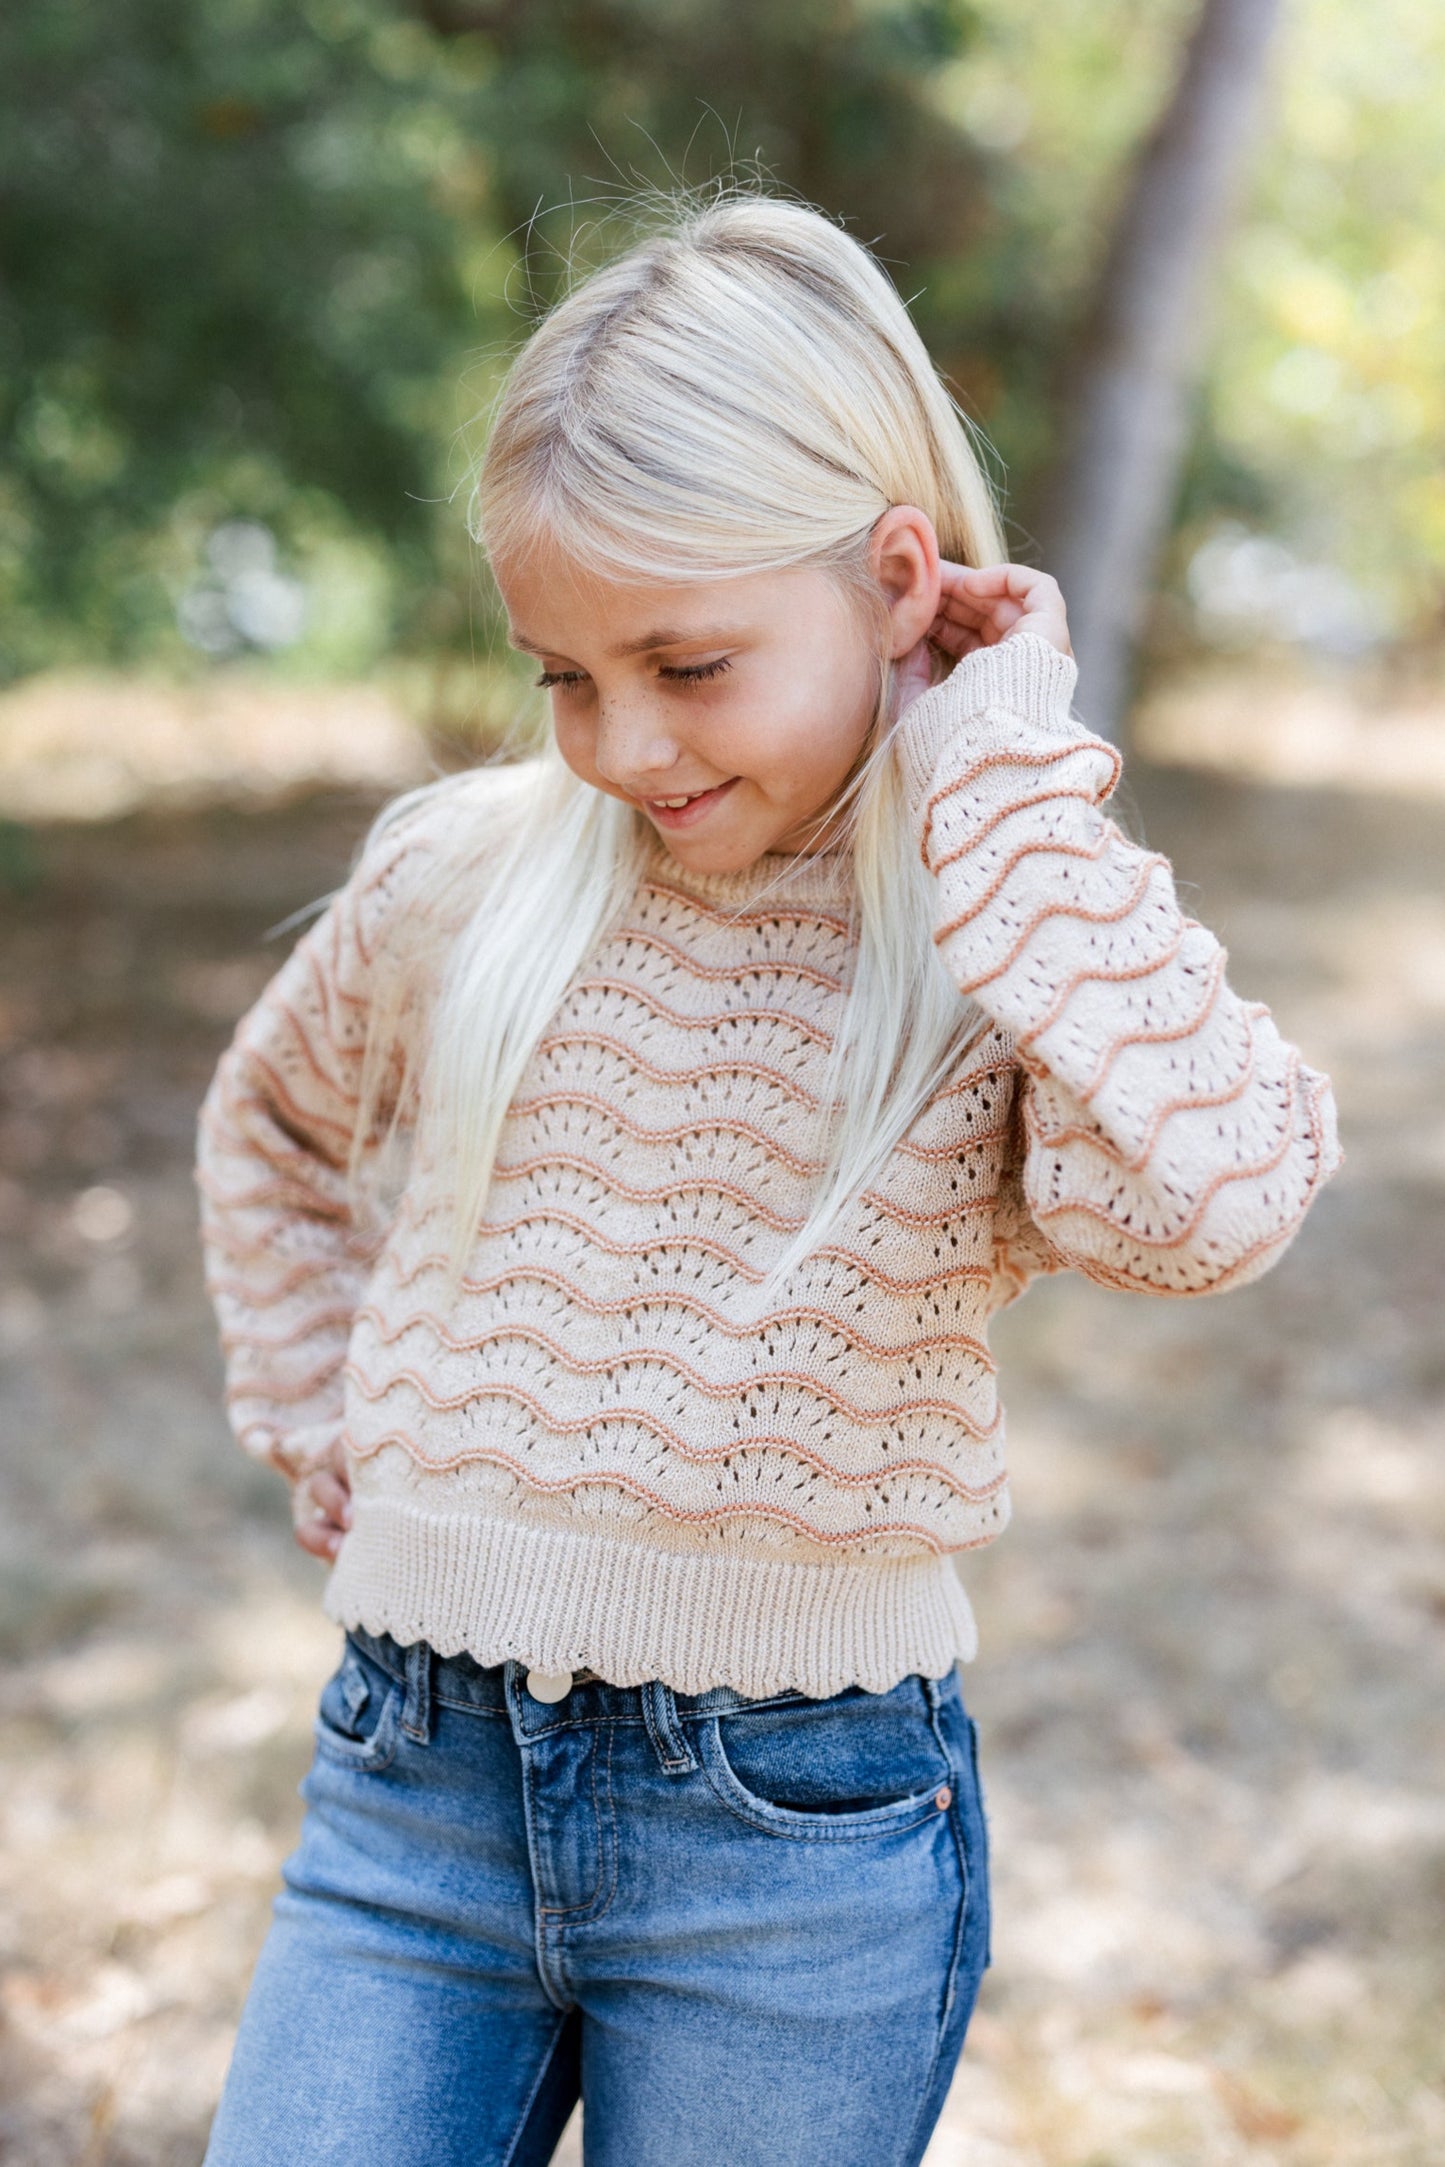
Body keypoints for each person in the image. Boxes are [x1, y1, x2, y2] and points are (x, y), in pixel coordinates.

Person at [194, 188, 1342, 2167]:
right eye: (564, 675)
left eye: (689, 662)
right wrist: (320, 1406)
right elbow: (277, 1126)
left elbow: (1218, 1194)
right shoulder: (469, 877)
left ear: (900, 580)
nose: (623, 741)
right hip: (416, 1794)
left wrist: (998, 782)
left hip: (788, 1842)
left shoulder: (991, 938)